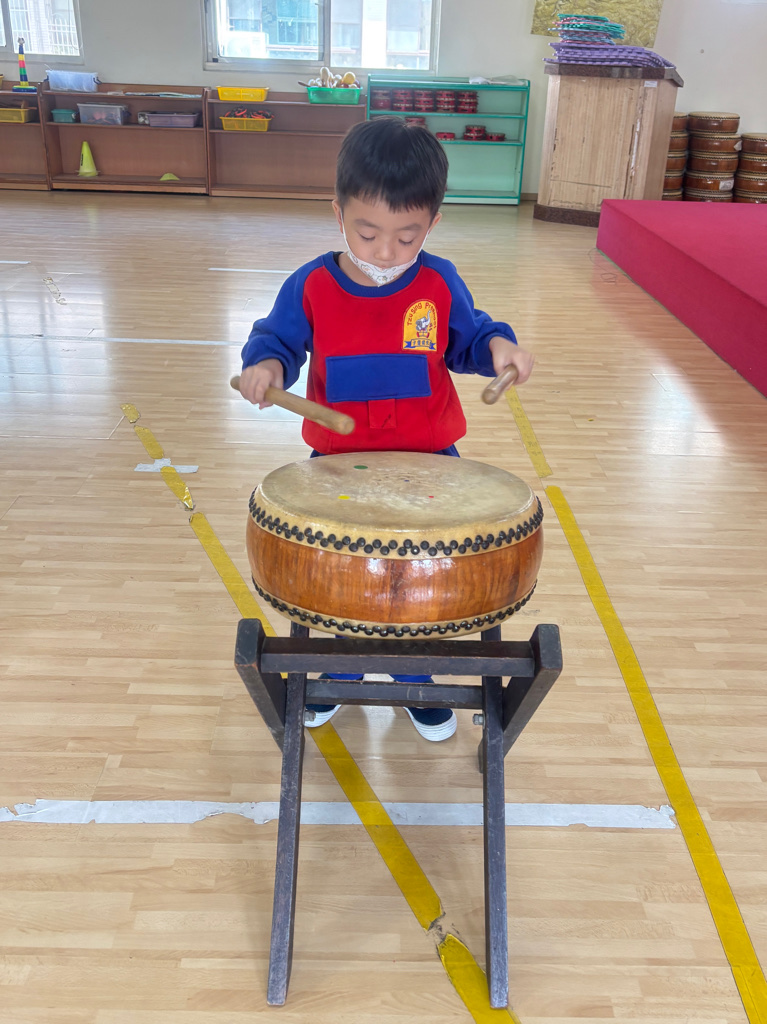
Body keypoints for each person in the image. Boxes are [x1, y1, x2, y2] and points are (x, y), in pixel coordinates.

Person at [238, 116, 534, 742]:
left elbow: (470, 339)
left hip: (431, 461)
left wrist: (500, 348)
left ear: (433, 224)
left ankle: (414, 674)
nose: (385, 252)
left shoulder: (437, 281)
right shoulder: (313, 284)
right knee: (344, 575)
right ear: (338, 213)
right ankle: (342, 667)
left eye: (407, 236)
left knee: (423, 577)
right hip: (338, 466)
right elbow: (277, 341)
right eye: (367, 232)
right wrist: (266, 368)